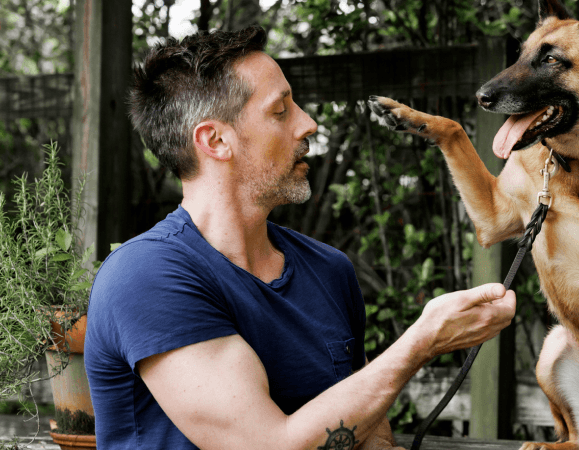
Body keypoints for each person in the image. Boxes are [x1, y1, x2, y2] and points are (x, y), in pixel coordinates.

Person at [84, 25, 516, 450]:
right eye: (281, 110)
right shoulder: (145, 277)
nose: (308, 124)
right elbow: (268, 445)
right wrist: (421, 344)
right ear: (215, 140)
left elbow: (370, 433)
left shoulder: (328, 270)